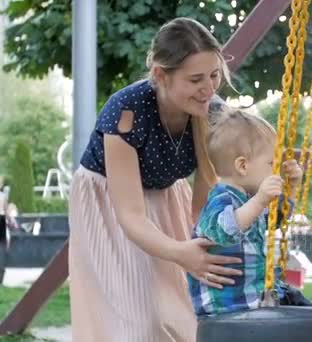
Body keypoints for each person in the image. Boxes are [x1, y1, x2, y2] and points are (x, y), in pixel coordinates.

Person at [69, 18, 243, 341]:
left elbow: (203, 199)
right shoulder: (126, 113)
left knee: (180, 312)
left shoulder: (210, 112)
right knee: (136, 319)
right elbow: (131, 217)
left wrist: (200, 243)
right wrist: (180, 252)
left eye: (214, 75)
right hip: (110, 202)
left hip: (165, 195)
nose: (208, 88)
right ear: (161, 75)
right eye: (195, 79)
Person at [187, 110, 312, 317]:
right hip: (228, 306)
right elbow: (224, 231)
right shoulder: (221, 199)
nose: (277, 170)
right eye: (272, 164)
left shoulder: (248, 200)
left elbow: (275, 220)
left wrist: (292, 188)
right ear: (243, 165)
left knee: (303, 310)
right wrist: (260, 200)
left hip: (251, 299)